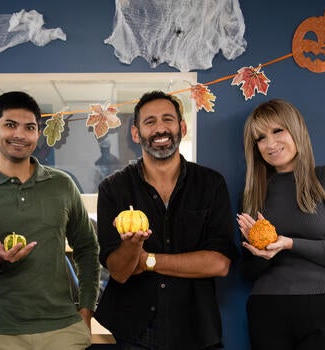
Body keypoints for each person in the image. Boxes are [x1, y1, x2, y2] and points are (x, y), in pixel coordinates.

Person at [95, 90, 237, 349]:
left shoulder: (210, 184)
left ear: (181, 127)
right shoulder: (113, 189)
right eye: (150, 122)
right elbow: (119, 271)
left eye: (168, 119)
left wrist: (148, 260)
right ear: (136, 133)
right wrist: (132, 246)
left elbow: (219, 264)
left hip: (197, 330)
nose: (160, 128)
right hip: (134, 332)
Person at [0, 91, 100, 350]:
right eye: (10, 125)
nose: (20, 135)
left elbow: (88, 249)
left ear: (38, 133)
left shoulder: (62, 185)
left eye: (30, 127)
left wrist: (86, 309)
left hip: (61, 327)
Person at [237, 99, 325, 350]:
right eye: (260, 138)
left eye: (277, 131)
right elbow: (248, 272)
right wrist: (264, 252)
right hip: (268, 307)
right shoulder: (252, 194)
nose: (270, 144)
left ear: (296, 130)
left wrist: (289, 244)